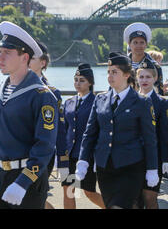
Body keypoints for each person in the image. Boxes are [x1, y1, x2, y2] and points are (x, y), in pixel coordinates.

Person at [76, 52, 159, 209]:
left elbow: (150, 139)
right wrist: (83, 160)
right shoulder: (100, 100)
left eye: (114, 72)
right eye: (108, 72)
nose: (110, 76)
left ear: (127, 74)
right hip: (104, 168)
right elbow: (90, 134)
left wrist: (152, 168)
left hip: (130, 167)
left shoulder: (141, 102)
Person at [0, 21, 58, 209]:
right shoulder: (3, 90)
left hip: (27, 181)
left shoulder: (41, 95)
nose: (0, 57)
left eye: (7, 53)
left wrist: (23, 182)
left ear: (24, 57)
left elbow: (45, 145)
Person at [28, 41, 67, 209]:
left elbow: (59, 130)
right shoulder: (11, 88)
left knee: (34, 198)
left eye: (31, 57)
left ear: (42, 63)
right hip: (15, 154)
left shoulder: (51, 92)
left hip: (41, 156)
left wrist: (63, 163)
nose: (26, 60)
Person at [60, 64, 105, 209]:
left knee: (89, 192)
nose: (78, 83)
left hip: (87, 156)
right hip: (69, 155)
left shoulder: (97, 102)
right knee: (68, 190)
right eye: (76, 80)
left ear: (90, 83)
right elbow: (65, 129)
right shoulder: (69, 102)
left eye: (82, 80)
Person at [136, 58, 168, 209]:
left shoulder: (162, 103)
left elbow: (165, 134)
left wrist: (165, 159)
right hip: (132, 157)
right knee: (133, 201)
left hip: (154, 158)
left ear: (155, 78)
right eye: (141, 76)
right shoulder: (130, 99)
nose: (144, 80)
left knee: (150, 199)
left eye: (148, 77)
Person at [124, 22, 163, 94]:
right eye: (135, 42)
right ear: (129, 44)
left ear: (146, 44)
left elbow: (159, 93)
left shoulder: (155, 66)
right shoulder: (122, 65)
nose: (139, 46)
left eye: (142, 42)